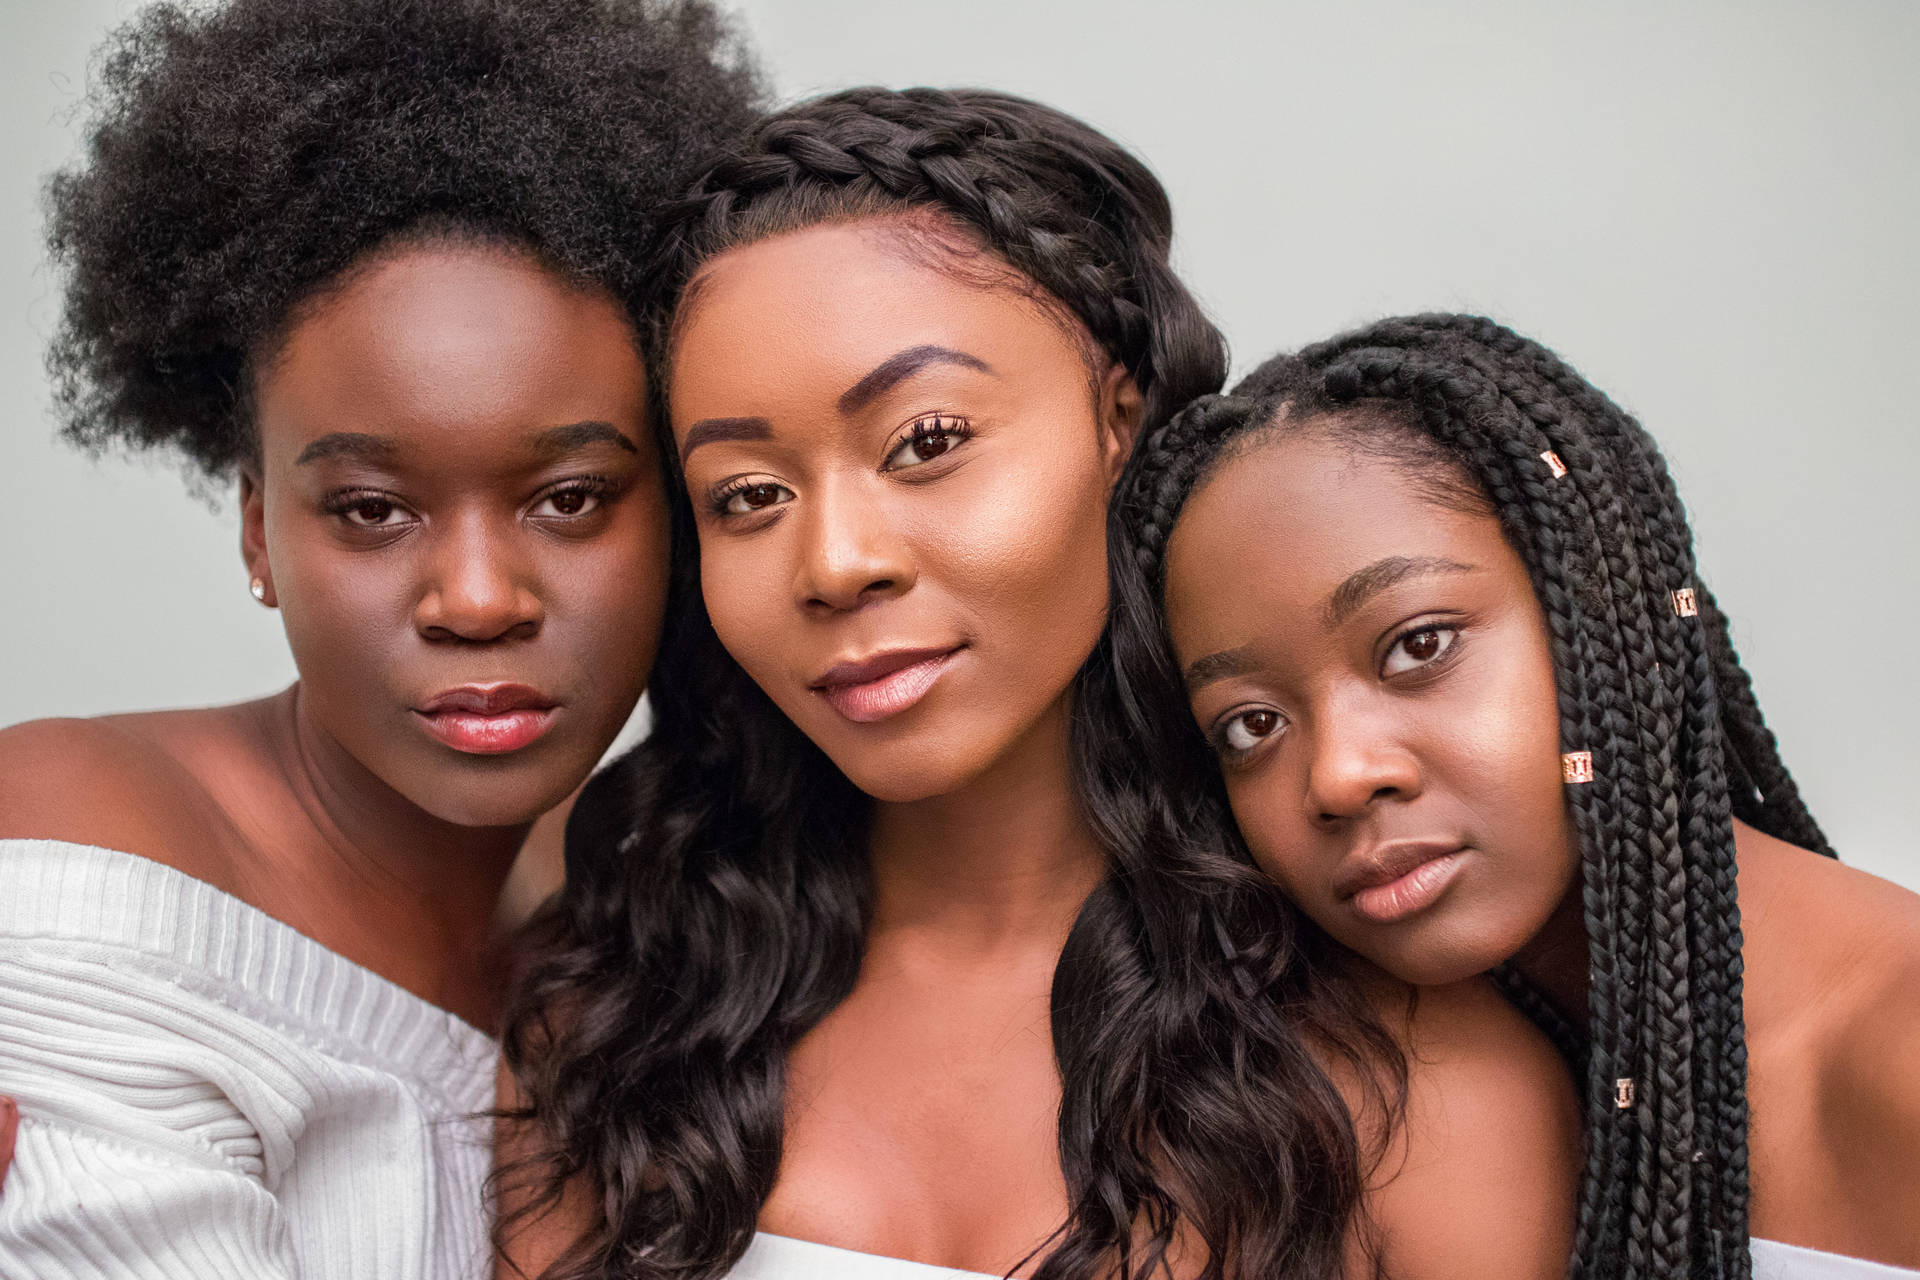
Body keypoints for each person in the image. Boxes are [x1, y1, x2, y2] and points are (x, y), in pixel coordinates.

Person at [497, 90, 1577, 1280]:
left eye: (926, 440)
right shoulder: (619, 1002)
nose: (837, 562)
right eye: (749, 495)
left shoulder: (1421, 1091)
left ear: (1118, 412)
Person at [0, 1, 759, 1275]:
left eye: (569, 497)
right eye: (371, 508)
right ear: (258, 530)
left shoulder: (643, 921)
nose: (475, 597)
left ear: (680, 511)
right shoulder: (81, 863)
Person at [1104, 313, 1920, 1278]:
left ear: (1604, 618)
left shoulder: (1896, 1055)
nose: (1337, 775)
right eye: (1250, 724)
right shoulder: (1366, 1078)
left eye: (1418, 645)